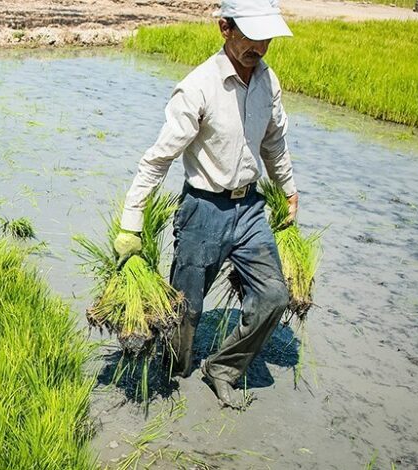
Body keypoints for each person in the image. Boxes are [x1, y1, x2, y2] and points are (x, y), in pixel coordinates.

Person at [113, 0, 298, 409]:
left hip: (250, 209)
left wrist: (287, 189)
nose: (261, 46)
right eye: (251, 35)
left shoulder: (269, 82)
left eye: (266, 36)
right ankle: (172, 375)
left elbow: (274, 142)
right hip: (203, 211)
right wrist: (131, 222)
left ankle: (222, 369)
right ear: (224, 28)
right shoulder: (198, 87)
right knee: (185, 311)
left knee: (273, 298)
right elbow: (158, 159)